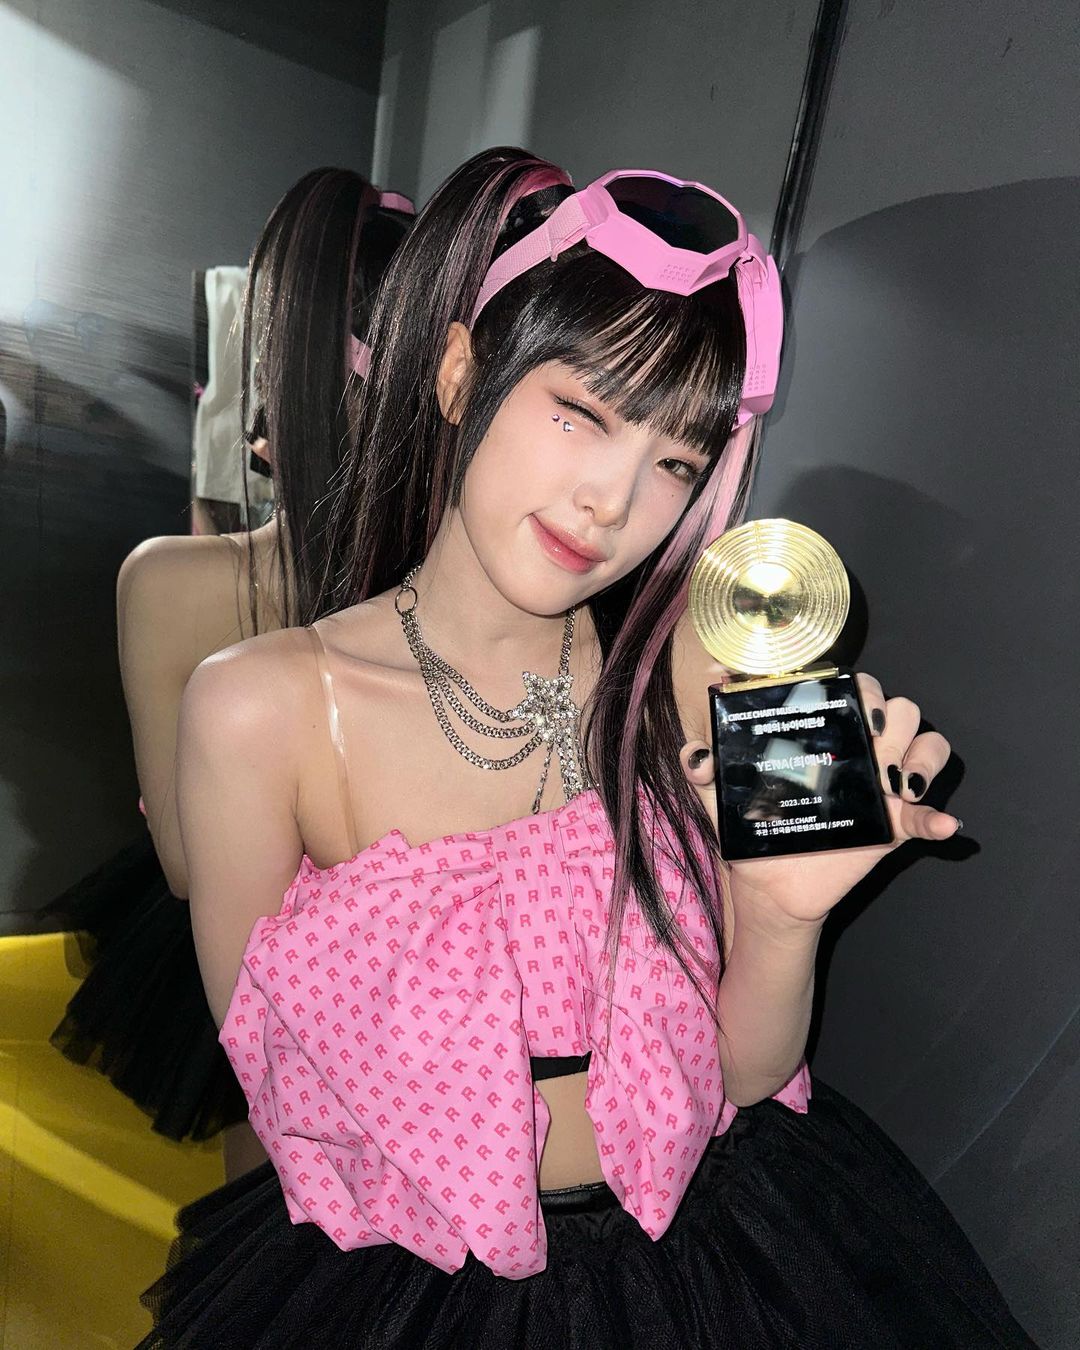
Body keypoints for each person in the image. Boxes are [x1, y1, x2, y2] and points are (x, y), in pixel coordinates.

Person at [140, 148, 1035, 1346]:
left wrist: (784, 918)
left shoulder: (694, 664)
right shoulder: (261, 709)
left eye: (674, 462)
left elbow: (744, 1073)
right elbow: (289, 1101)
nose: (613, 501)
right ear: (460, 373)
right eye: (581, 414)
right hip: (420, 1290)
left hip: (720, 1253)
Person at [48, 169, 413, 1166]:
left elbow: (184, 860)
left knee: (268, 1203)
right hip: (418, 991)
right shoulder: (463, 598)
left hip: (272, 962)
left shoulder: (172, 582)